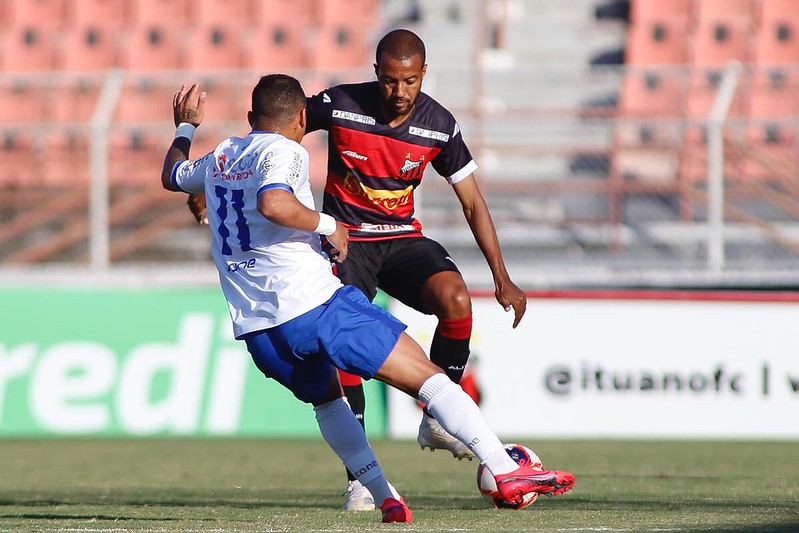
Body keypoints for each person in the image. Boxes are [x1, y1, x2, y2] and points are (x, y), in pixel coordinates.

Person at [163, 75, 574, 523]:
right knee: (428, 377)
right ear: (303, 119)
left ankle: (384, 496)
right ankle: (505, 467)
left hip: (260, 330)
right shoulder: (285, 151)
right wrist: (327, 225)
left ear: (249, 119)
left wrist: (185, 127)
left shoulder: (222, 154)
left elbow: (173, 176)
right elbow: (274, 205)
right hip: (315, 306)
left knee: (328, 403)